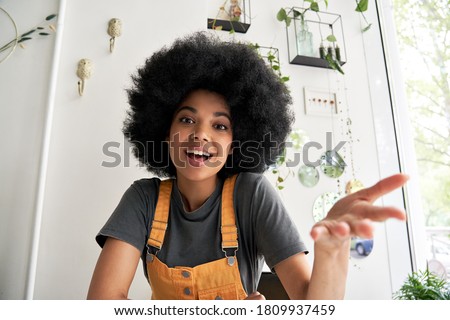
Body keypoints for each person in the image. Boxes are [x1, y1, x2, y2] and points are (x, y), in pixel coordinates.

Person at [87, 32, 408, 300]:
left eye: (220, 126)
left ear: (236, 143)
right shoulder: (144, 199)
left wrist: (331, 251)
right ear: (165, 130)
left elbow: (316, 308)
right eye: (187, 119)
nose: (200, 134)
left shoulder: (251, 194)